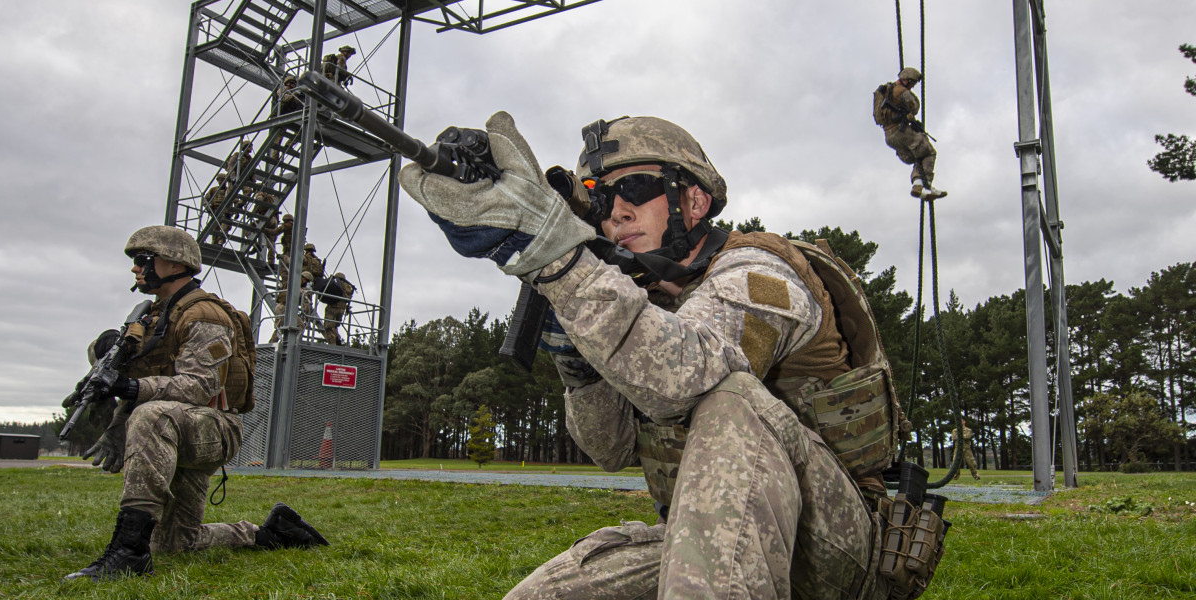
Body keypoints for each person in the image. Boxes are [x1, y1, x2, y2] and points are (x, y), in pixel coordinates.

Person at [399, 113, 912, 598]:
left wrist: (562, 266)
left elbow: (687, 376)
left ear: (695, 201)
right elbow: (612, 450)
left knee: (732, 396)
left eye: (638, 188)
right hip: (719, 539)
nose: (617, 212)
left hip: (832, 548)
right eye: (600, 200)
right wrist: (576, 362)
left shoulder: (760, 273)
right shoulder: (644, 307)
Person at [64, 226, 327, 582]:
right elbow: (149, 377)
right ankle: (272, 533)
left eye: (144, 259)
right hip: (179, 427)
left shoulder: (204, 315)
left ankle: (129, 552)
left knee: (151, 415)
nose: (135, 268)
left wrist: (129, 388)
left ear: (175, 265)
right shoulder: (154, 316)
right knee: (175, 542)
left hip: (213, 428)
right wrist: (108, 388)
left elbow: (199, 386)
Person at [875, 67, 947, 200]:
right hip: (901, 132)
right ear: (906, 80)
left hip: (889, 136)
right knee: (929, 152)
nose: (912, 86)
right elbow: (915, 107)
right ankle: (922, 185)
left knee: (918, 156)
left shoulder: (885, 90)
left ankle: (921, 186)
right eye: (912, 83)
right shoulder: (902, 92)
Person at [270, 270, 313, 343]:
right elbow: (295, 292)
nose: (306, 283)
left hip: (285, 308)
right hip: (283, 308)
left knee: (281, 328)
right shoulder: (294, 283)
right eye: (307, 281)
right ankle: (292, 343)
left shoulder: (295, 283)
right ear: (304, 279)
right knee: (298, 326)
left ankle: (275, 343)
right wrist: (305, 291)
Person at [271, 75, 304, 159]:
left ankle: (289, 145)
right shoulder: (282, 90)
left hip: (288, 115)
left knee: (300, 131)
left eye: (294, 84)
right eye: (291, 83)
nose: (293, 85)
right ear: (287, 83)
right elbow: (285, 99)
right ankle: (275, 156)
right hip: (280, 115)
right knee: (278, 137)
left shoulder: (293, 93)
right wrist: (295, 94)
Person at [319, 272, 355, 346]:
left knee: (328, 327)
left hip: (333, 307)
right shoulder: (348, 287)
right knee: (335, 326)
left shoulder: (336, 284)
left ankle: (333, 344)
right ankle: (337, 339)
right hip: (342, 309)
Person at [203, 173, 229, 246]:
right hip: (215, 212)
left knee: (224, 228)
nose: (220, 182)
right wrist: (208, 208)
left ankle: (220, 242)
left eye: (222, 180)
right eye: (219, 180)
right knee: (215, 230)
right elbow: (205, 200)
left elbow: (235, 200)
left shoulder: (228, 190)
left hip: (225, 213)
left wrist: (236, 210)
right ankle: (214, 244)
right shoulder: (213, 190)